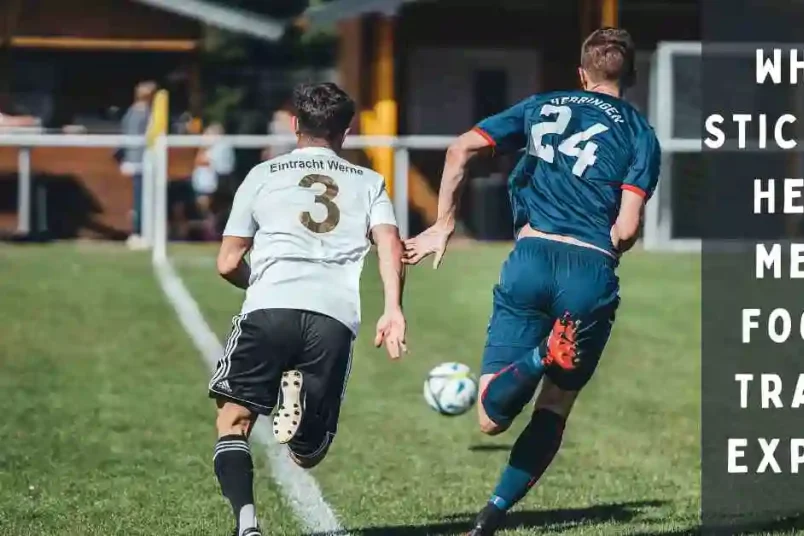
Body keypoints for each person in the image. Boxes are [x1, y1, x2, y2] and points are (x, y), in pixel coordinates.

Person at [403, 28, 660, 535]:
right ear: (629, 77)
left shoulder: (541, 106)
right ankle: (491, 517)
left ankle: (541, 353)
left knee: (489, 418)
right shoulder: (640, 131)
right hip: (589, 268)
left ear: (581, 74)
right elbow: (627, 229)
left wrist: (444, 224)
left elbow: (460, 150)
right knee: (556, 406)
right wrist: (607, 243)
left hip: (530, 258)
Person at [210, 82, 408, 536]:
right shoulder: (370, 181)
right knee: (308, 452)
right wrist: (393, 308)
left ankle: (247, 526)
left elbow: (227, 263)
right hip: (333, 317)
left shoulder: (262, 174)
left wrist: (257, 282)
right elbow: (389, 246)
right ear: (348, 129)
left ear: (295, 124)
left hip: (270, 306)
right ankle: (293, 396)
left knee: (233, 421)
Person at [119, 81, 156, 249]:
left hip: (132, 159)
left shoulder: (130, 112)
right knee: (141, 198)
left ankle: (139, 232)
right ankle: (138, 232)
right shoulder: (147, 113)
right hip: (141, 160)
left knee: (139, 197)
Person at [191, 122, 235, 240]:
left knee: (210, 208)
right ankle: (211, 230)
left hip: (214, 185)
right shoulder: (208, 149)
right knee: (206, 209)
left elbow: (205, 162)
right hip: (206, 185)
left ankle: (212, 231)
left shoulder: (220, 148)